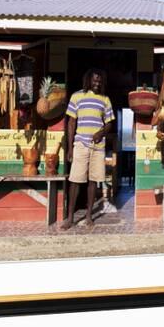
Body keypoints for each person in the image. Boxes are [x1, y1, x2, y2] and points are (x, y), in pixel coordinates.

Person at [60, 68, 115, 230]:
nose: (97, 83)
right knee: (75, 180)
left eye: (100, 80)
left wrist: (101, 132)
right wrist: (70, 148)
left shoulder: (105, 99)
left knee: (93, 181)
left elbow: (109, 123)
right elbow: (71, 123)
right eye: (95, 80)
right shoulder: (76, 96)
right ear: (88, 80)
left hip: (98, 147)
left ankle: (89, 216)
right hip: (80, 144)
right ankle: (70, 218)